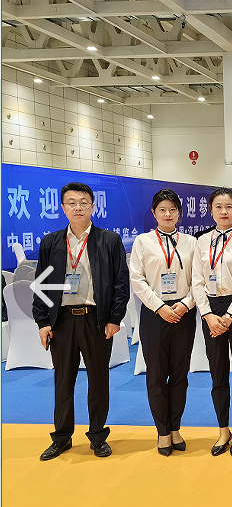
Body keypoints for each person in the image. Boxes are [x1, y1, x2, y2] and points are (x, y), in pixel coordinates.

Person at [33, 182, 129, 460]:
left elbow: (120, 283)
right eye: (72, 203)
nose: (78, 208)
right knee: (63, 381)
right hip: (62, 321)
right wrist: (43, 322)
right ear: (63, 208)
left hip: (95, 320)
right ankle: (62, 437)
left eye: (83, 202)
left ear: (93, 207)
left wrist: (114, 317)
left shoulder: (109, 240)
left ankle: (98, 436)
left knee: (98, 380)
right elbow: (41, 285)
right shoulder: (51, 242)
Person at [129, 189, 198, 456]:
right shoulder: (143, 242)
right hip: (154, 313)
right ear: (153, 213)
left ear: (179, 213)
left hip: (183, 312)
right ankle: (162, 431)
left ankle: (176, 427)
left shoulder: (191, 242)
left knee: (180, 374)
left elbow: (199, 280)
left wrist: (185, 304)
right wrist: (159, 307)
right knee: (156, 375)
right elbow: (137, 279)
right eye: (162, 210)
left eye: (172, 209)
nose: (168, 214)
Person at [192, 188, 232, 457]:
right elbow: (196, 281)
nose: (224, 211)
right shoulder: (201, 241)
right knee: (217, 373)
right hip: (211, 310)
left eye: (229, 206)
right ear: (210, 210)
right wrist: (207, 314)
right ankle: (223, 429)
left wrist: (231, 315)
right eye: (218, 206)